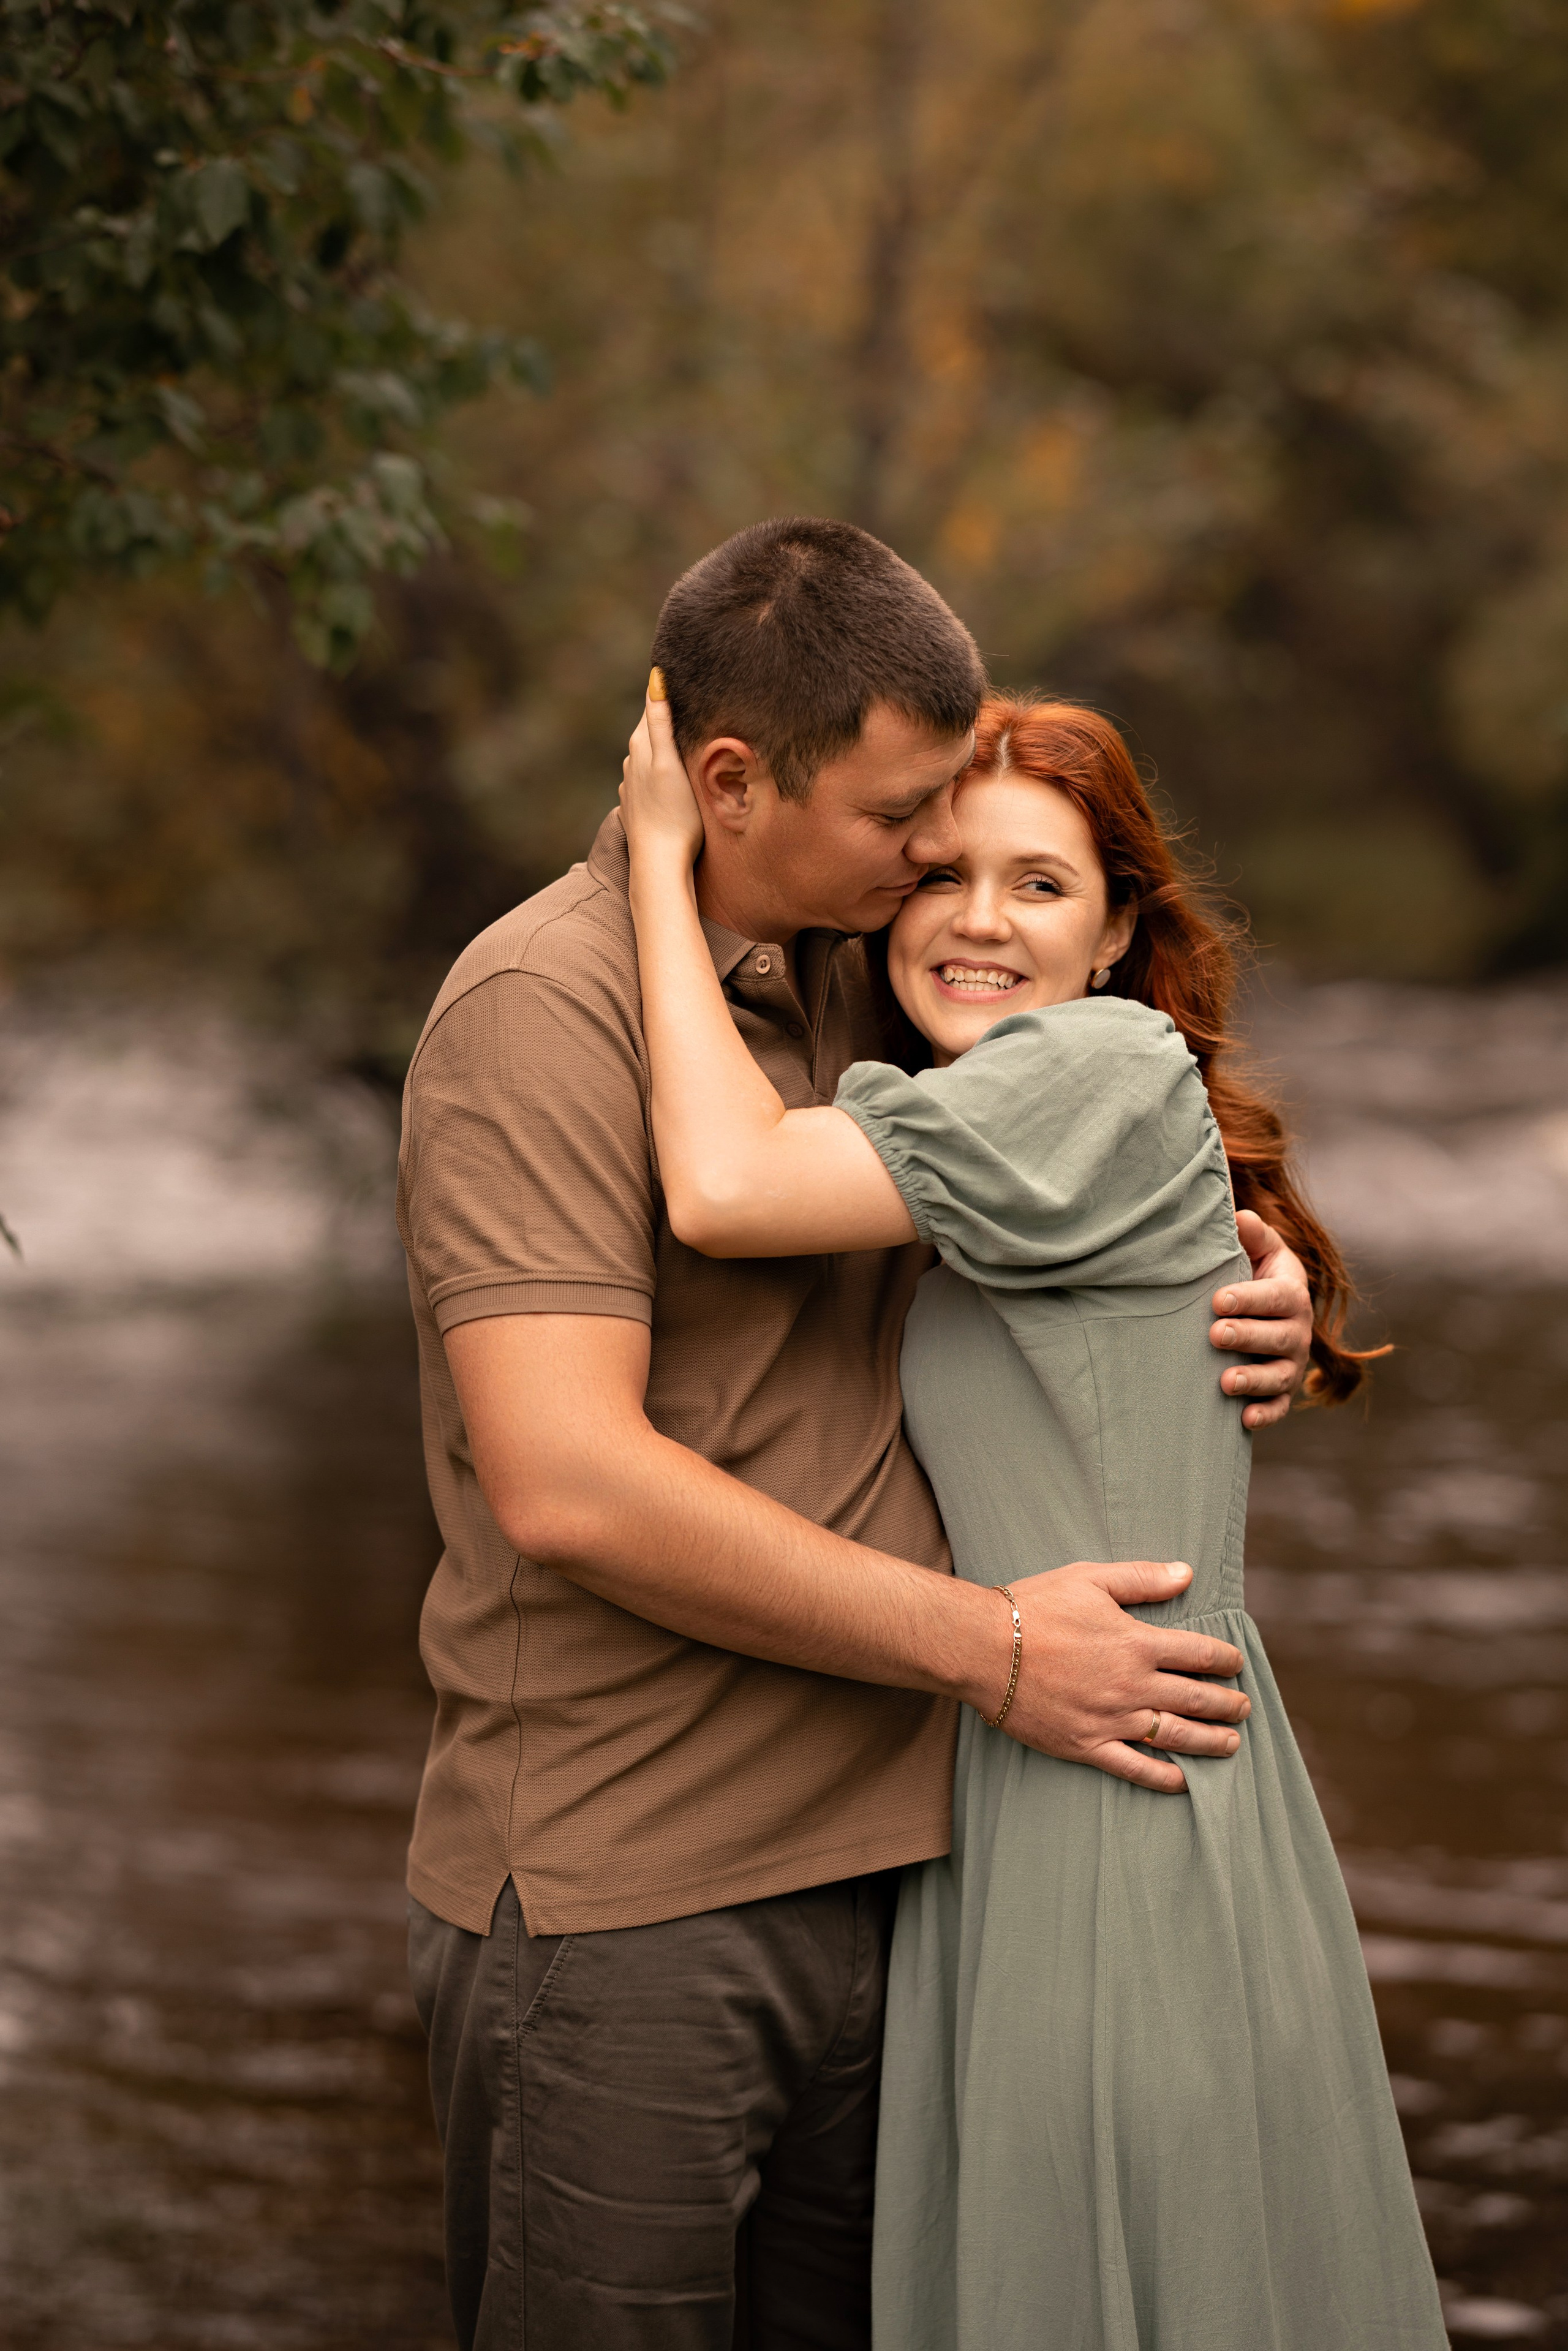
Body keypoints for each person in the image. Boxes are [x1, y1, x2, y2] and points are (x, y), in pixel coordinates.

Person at [396, 518, 1316, 2351]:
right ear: (729, 785)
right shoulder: (540, 1013)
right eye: (908, 818)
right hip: (634, 1890)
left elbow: (1098, 1110)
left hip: (913, 1878)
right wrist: (993, 1649)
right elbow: (566, 1485)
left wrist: (1251, 1266)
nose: (938, 862)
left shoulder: (871, 969)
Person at [618, 676, 1446, 2350]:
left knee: (1102, 2269)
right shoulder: (991, 1110)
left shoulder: (1098, 1067)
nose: (980, 920)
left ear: (1120, 925)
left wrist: (654, 860)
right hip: (1039, 1745)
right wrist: (1261, 1259)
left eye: (1042, 883)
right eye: (941, 873)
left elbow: (721, 1187)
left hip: (1109, 1777)